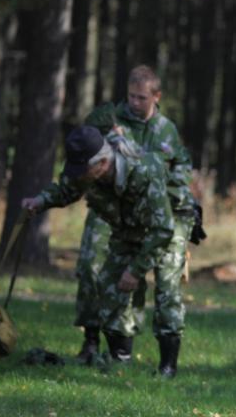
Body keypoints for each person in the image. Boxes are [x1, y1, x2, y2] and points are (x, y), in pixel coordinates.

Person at [76, 65, 196, 377]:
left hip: (159, 211)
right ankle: (93, 342)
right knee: (92, 265)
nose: (135, 103)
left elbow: (181, 170)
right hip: (116, 209)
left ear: (156, 97)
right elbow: (84, 145)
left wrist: (163, 186)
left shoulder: (166, 130)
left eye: (142, 98)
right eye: (131, 96)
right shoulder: (111, 119)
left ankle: (167, 365)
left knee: (167, 284)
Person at [21, 126, 174, 362]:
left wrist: (136, 269)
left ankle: (165, 366)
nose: (79, 175)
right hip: (126, 234)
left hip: (165, 230)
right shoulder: (89, 174)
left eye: (83, 170)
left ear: (102, 163)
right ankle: (119, 360)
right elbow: (65, 190)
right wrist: (39, 202)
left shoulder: (145, 171)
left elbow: (163, 229)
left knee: (164, 291)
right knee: (108, 285)